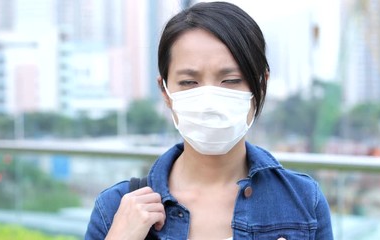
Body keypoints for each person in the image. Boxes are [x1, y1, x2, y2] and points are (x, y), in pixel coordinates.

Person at [85, 1, 333, 239]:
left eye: (230, 80)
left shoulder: (303, 201)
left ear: (261, 84)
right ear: (165, 92)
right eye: (189, 82)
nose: (209, 100)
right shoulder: (115, 209)